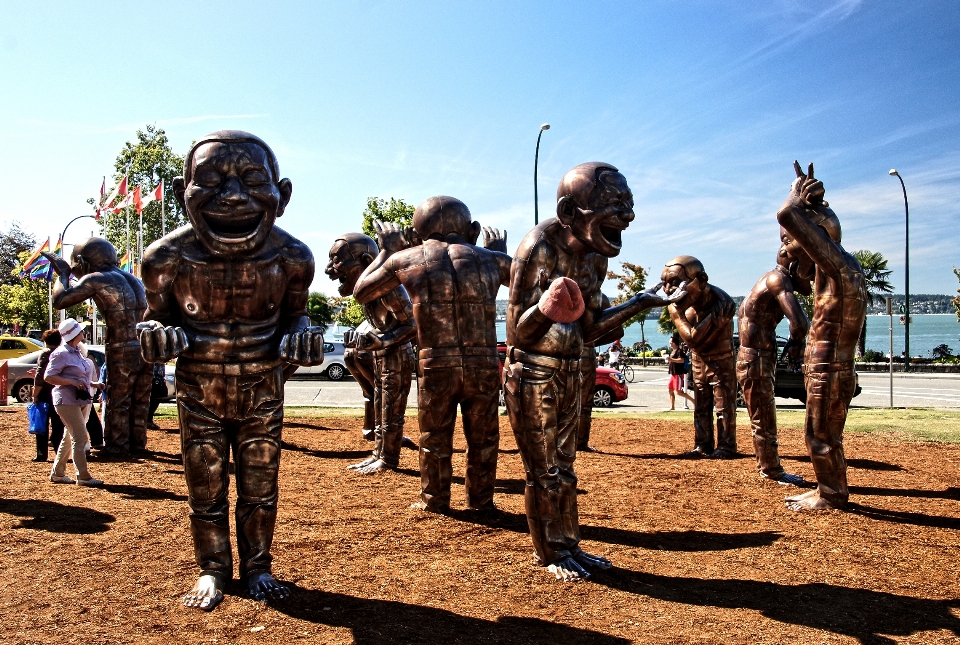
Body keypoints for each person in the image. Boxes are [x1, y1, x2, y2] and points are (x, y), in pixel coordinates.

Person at [139, 130, 324, 610]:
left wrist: (304, 335)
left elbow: (297, 315)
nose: (234, 197)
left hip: (263, 385)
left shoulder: (292, 257)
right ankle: (212, 568)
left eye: (250, 180)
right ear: (186, 197)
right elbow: (151, 321)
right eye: (213, 182)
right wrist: (156, 335)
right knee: (206, 484)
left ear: (281, 196)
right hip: (199, 387)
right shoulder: (166, 258)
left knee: (261, 486)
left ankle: (259, 567)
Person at [505, 161, 682, 581]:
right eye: (613, 204)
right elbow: (518, 331)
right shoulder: (539, 247)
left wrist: (640, 303)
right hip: (532, 370)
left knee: (565, 467)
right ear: (570, 212)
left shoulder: (595, 258)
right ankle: (549, 552)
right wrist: (548, 305)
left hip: (571, 370)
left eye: (628, 204)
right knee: (544, 470)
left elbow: (589, 329)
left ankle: (569, 545)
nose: (628, 215)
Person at [354, 197, 510, 512]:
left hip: (436, 362)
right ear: (474, 230)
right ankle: (481, 500)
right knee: (484, 436)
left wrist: (386, 249)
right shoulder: (493, 259)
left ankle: (434, 499)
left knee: (433, 436)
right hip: (481, 362)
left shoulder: (405, 259)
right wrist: (499, 252)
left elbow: (361, 291)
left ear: (416, 233)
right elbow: (535, 284)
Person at [778, 162, 866, 511]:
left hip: (828, 368)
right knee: (827, 434)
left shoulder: (836, 265)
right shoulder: (844, 268)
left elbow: (787, 214)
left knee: (819, 435)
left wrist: (795, 193)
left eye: (790, 241)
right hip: (834, 367)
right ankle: (829, 489)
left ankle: (830, 494)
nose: (787, 247)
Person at [44, 237, 152, 459]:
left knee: (118, 399)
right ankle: (137, 443)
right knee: (140, 400)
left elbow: (61, 300)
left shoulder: (96, 278)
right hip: (144, 346)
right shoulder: (135, 280)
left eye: (76, 268)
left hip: (122, 346)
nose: (77, 273)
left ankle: (118, 446)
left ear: (83, 261)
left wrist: (63, 275)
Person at [326, 232, 417, 474]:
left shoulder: (387, 288)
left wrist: (382, 340)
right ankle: (378, 453)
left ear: (367, 261)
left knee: (391, 408)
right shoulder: (370, 291)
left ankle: (388, 458)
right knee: (380, 404)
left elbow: (412, 325)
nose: (329, 269)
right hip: (383, 355)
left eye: (336, 260)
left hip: (397, 355)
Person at [737, 245, 811, 485]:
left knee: (762, 415)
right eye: (809, 268)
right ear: (794, 264)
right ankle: (771, 470)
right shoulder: (778, 279)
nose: (811, 276)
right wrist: (797, 345)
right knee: (764, 416)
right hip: (756, 358)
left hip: (756, 356)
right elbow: (799, 323)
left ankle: (767, 465)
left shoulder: (771, 278)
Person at [662, 255, 737, 458]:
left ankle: (726, 445)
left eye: (676, 283)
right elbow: (692, 340)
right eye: (664, 283)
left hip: (721, 360)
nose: (668, 290)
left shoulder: (723, 300)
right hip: (698, 360)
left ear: (701, 280)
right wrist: (714, 321)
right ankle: (702, 444)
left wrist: (708, 329)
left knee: (724, 407)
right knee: (701, 406)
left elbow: (696, 338)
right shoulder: (676, 305)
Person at [45, 319, 103, 487]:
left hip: (77, 399)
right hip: (66, 400)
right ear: (75, 334)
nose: (83, 333)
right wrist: (71, 383)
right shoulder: (61, 353)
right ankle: (83, 476)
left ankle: (58, 472)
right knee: (80, 437)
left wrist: (93, 384)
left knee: (69, 437)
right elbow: (48, 377)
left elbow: (77, 377)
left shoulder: (75, 351)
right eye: (81, 330)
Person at [31, 329, 65, 462]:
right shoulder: (62, 353)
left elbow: (40, 376)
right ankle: (59, 453)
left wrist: (35, 394)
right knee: (58, 425)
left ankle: (41, 454)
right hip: (60, 392)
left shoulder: (45, 354)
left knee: (42, 425)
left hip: (45, 393)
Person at [666, 333, 694, 411]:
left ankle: (693, 401)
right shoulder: (673, 351)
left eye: (671, 342)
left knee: (678, 392)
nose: (670, 343)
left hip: (678, 374)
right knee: (670, 390)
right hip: (673, 374)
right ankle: (672, 407)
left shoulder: (679, 351)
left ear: (674, 342)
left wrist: (671, 360)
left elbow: (681, 360)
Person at [147, 362, 166, 430]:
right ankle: (147, 420)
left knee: (157, 398)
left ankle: (149, 419)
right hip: (151, 376)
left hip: (159, 377)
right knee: (152, 399)